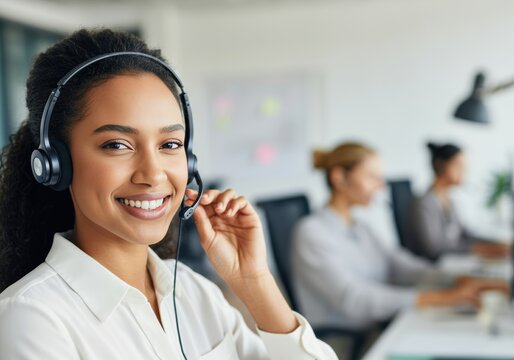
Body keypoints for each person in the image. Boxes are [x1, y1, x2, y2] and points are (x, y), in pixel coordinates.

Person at [0, 29, 337, 359]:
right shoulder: (31, 319)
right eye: (117, 145)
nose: (153, 174)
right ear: (56, 163)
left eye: (170, 144)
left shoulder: (195, 292)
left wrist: (255, 282)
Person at [291, 142, 506, 332]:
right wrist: (441, 298)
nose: (381, 186)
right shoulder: (311, 233)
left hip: (383, 324)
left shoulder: (361, 227)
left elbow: (400, 266)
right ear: (339, 178)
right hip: (347, 343)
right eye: (371, 176)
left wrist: (453, 280)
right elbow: (354, 300)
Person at [407, 142, 510, 262]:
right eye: (458, 166)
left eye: (464, 167)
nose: (464, 172)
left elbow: (464, 233)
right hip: (435, 266)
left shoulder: (449, 200)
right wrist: (480, 249)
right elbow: (433, 249)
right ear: (441, 165)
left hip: (455, 260)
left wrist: (495, 244)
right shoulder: (422, 204)